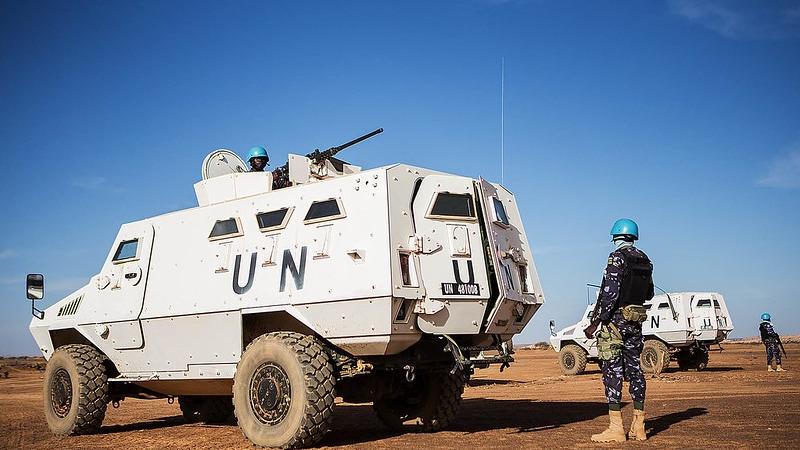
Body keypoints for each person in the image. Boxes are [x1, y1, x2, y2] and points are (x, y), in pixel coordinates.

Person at [583, 218, 654, 442]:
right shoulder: (645, 259)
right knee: (636, 372)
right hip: (635, 323)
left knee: (612, 373)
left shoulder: (617, 258)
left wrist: (597, 322)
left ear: (616, 236)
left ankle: (616, 429)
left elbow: (610, 294)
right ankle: (639, 427)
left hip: (615, 324)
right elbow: (649, 293)